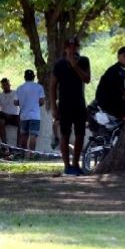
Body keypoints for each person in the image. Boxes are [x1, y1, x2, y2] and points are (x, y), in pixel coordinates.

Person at [50, 37, 91, 176]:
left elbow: (87, 79)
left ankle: (76, 164)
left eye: (75, 46)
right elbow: (52, 86)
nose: (73, 49)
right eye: (70, 46)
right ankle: (67, 166)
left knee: (80, 135)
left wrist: (75, 66)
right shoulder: (59, 64)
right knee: (65, 135)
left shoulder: (84, 61)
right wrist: (54, 107)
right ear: (65, 48)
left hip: (79, 103)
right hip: (64, 104)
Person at [95, 46, 125, 119]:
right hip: (109, 102)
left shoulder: (118, 70)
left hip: (107, 101)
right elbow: (124, 92)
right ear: (118, 57)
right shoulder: (118, 71)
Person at [14, 70, 45, 158]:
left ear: (24, 77)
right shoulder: (39, 87)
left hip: (24, 116)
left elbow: (15, 102)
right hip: (35, 116)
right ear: (34, 77)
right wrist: (34, 104)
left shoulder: (19, 88)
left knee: (24, 135)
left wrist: (23, 103)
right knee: (33, 136)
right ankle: (32, 155)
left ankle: (23, 154)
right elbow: (42, 101)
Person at [0, 77, 20, 153]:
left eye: (7, 84)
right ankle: (5, 146)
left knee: (21, 124)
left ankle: (18, 147)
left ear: (10, 84)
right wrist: (4, 114)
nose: (6, 86)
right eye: (4, 85)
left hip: (14, 115)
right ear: (1, 87)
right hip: (3, 115)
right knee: (1, 122)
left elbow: (22, 104)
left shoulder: (16, 93)